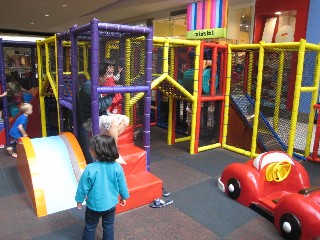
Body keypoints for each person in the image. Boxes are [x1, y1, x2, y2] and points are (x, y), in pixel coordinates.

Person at [75, 134, 129, 240]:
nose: (90, 150)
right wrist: (124, 196)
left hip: (94, 206)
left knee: (90, 227)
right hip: (111, 204)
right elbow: (122, 184)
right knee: (108, 227)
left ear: (97, 152)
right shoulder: (117, 167)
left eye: (92, 149)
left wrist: (79, 199)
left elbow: (83, 187)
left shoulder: (90, 168)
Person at [78, 63, 129, 164]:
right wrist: (111, 95)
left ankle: (105, 143)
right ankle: (115, 152)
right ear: (99, 77)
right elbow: (99, 106)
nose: (106, 78)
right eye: (105, 76)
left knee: (125, 120)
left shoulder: (98, 85)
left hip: (100, 115)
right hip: (89, 120)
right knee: (113, 121)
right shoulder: (88, 86)